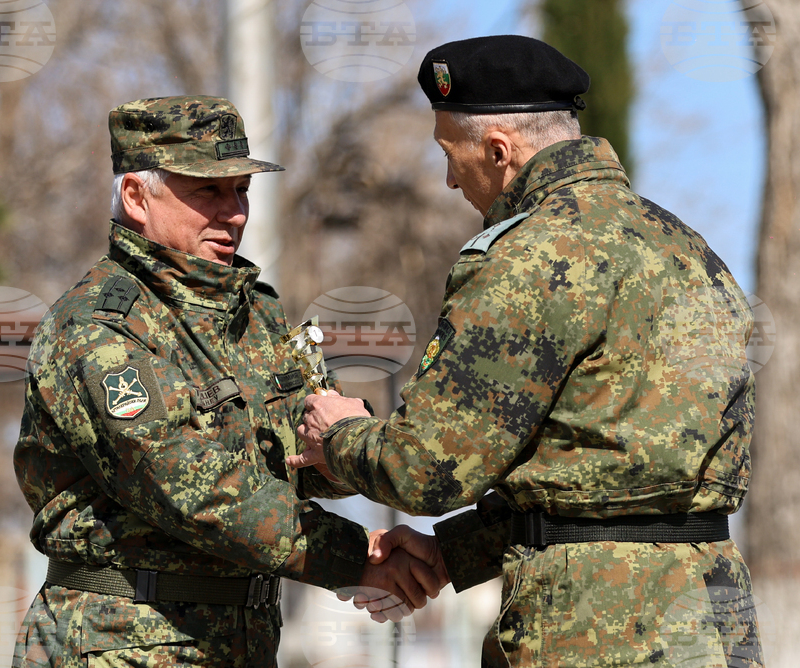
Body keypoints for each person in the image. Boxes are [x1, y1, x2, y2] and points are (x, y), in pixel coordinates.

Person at [289, 36, 764, 667]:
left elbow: (427, 469)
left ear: (497, 150)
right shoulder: (686, 248)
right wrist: (456, 553)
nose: (449, 177)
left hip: (594, 628)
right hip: (713, 614)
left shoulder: (531, 257)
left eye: (448, 152)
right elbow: (616, 474)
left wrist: (341, 434)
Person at [11, 95, 447, 668]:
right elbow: (191, 486)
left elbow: (299, 456)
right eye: (209, 192)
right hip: (122, 642)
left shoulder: (253, 316)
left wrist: (351, 444)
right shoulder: (99, 327)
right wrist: (355, 557)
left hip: (241, 639)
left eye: (241, 189)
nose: (235, 212)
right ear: (137, 197)